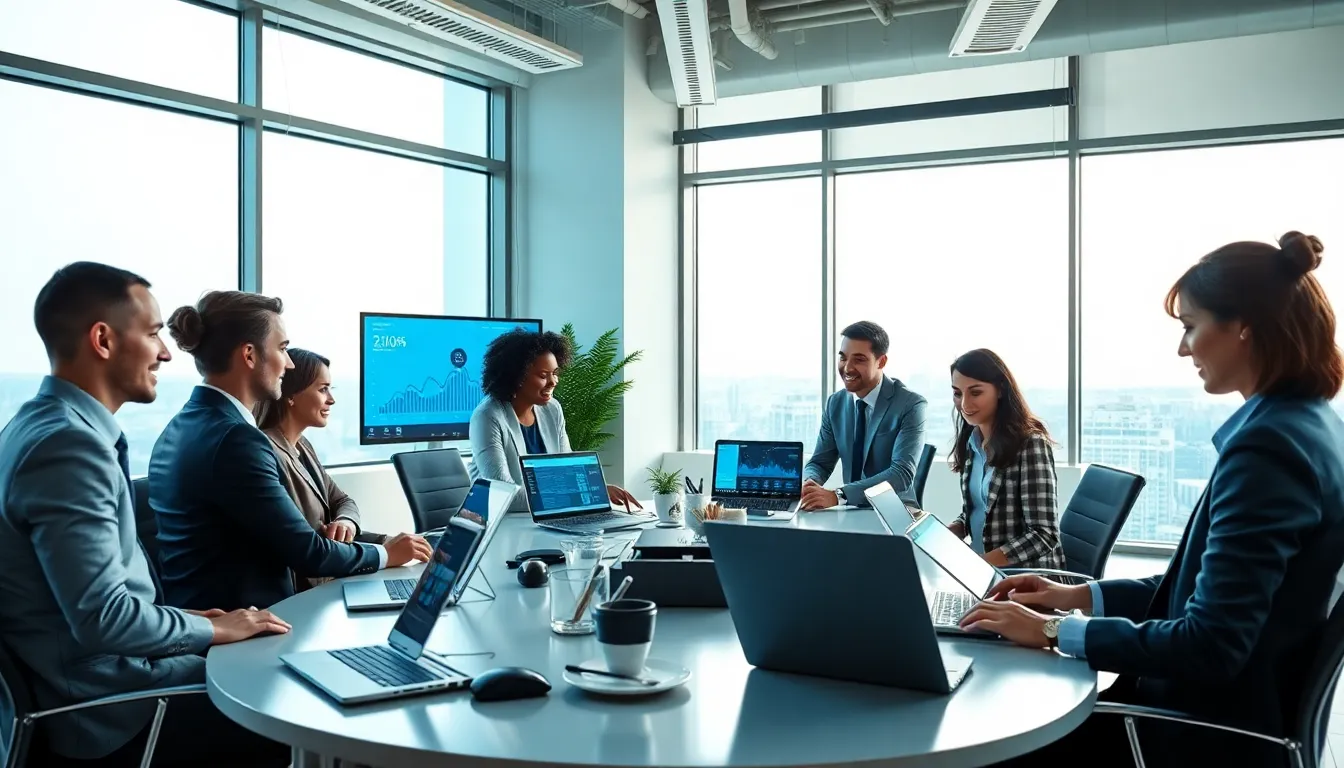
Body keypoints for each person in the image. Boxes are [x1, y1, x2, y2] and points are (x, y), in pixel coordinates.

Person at [962, 232, 1344, 768]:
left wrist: (1053, 631)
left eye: (1191, 326)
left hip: (1195, 734)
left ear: (1242, 328)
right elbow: (1195, 587)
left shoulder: (1268, 446)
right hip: (1229, 714)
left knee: (984, 734)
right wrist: (1072, 598)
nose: (1183, 347)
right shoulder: (1313, 425)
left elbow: (1209, 643)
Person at [0, 263, 290, 766]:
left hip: (112, 675)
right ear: (104, 340)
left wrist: (186, 620)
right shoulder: (69, 447)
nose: (165, 351)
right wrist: (214, 631)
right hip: (113, 713)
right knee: (299, 702)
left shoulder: (34, 425)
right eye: (154, 333)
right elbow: (102, 618)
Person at [150, 291, 432, 611]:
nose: (289, 362)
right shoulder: (238, 440)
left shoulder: (176, 430)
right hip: (248, 629)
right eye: (283, 348)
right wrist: (386, 554)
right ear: (249, 355)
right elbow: (308, 553)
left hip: (200, 622)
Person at [254, 347, 412, 591]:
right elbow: (308, 545)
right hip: (304, 594)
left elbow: (342, 500)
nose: (331, 399)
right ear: (291, 396)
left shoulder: (303, 446)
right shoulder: (268, 452)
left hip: (328, 581)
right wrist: (384, 551)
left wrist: (346, 523)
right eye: (322, 389)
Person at [469, 328, 641, 512]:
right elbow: (504, 495)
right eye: (543, 376)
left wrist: (598, 490)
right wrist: (580, 497)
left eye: (555, 373)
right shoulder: (488, 416)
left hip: (545, 519)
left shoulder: (552, 408)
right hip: (501, 525)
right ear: (516, 376)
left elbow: (567, 469)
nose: (553, 381)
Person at [945, 349, 1063, 569]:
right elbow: (980, 510)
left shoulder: (1030, 444)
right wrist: (947, 532)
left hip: (1023, 577)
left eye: (976, 392)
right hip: (983, 567)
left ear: (1000, 390)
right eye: (957, 393)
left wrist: (978, 566)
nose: (964, 404)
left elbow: (1044, 534)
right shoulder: (973, 441)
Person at [801, 321, 927, 510]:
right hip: (850, 511)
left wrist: (838, 496)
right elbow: (820, 462)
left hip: (896, 512)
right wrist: (809, 483)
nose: (847, 368)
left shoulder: (911, 404)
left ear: (881, 361)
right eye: (843, 358)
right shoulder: (835, 403)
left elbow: (901, 474)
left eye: (859, 360)